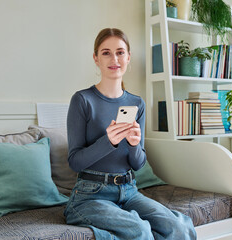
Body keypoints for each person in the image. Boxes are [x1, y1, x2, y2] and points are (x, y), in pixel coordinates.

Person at [64, 28, 196, 240]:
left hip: (129, 190)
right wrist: (108, 142)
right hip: (90, 196)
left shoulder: (137, 104)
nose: (114, 58)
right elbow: (75, 162)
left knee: (178, 227)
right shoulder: (82, 100)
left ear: (128, 57)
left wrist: (134, 145)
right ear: (96, 58)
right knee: (139, 230)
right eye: (106, 52)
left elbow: (138, 163)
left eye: (120, 52)